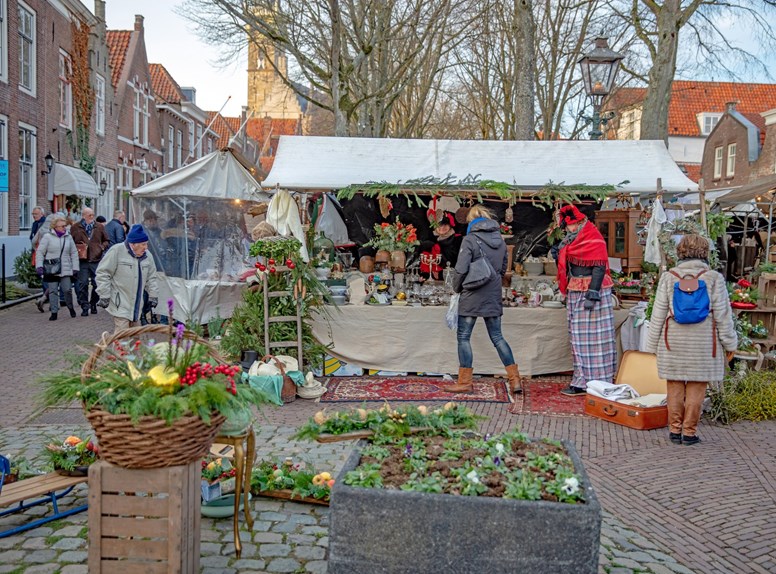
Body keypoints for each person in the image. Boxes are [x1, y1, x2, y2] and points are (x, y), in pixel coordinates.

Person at [646, 234, 737, 445]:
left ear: (680, 252)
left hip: (673, 341)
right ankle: (689, 432)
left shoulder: (669, 277)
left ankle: (674, 430)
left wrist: (650, 347)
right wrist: (730, 343)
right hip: (704, 343)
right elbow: (723, 315)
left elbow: (658, 314)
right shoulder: (714, 278)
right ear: (705, 253)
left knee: (674, 385)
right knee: (697, 386)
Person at [442, 205, 521, 394]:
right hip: (492, 294)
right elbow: (503, 269)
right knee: (497, 337)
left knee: (463, 337)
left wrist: (456, 288)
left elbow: (461, 269)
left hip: (472, 293)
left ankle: (465, 382)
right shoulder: (501, 241)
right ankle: (515, 379)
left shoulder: (470, 240)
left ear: (472, 222)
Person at [555, 204, 617, 396]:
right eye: (567, 225)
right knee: (578, 338)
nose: (569, 228)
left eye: (572, 225)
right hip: (576, 289)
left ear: (581, 222)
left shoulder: (595, 239)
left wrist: (592, 293)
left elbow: (599, 266)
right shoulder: (570, 240)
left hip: (591, 291)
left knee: (594, 340)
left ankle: (596, 380)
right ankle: (582, 379)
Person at [96, 224, 159, 333]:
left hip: (137, 305)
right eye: (143, 244)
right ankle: (119, 351)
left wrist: (153, 295)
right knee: (122, 336)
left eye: (146, 244)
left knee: (135, 337)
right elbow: (103, 273)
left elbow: (152, 277)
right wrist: (104, 294)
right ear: (133, 244)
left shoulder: (147, 256)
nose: (146, 247)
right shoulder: (116, 251)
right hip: (120, 303)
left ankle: (132, 351)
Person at [34, 216, 79, 321]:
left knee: (67, 289)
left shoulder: (68, 237)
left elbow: (74, 252)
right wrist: (39, 266)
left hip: (66, 268)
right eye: (62, 226)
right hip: (51, 268)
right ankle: (54, 312)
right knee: (53, 291)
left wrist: (75, 267)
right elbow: (40, 252)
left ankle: (70, 307)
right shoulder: (47, 237)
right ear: (55, 226)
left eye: (65, 226)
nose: (65, 228)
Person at [70, 207, 110, 316]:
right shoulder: (75, 227)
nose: (92, 217)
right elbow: (71, 242)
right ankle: (84, 306)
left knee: (96, 283)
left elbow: (107, 240)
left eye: (93, 215)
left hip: (96, 259)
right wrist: (77, 249)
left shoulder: (99, 226)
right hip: (82, 260)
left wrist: (101, 247)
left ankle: (93, 303)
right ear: (83, 216)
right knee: (83, 284)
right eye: (89, 215)